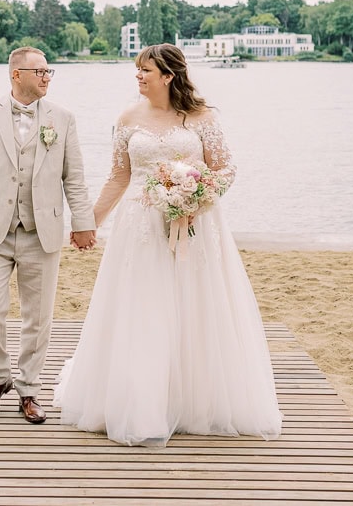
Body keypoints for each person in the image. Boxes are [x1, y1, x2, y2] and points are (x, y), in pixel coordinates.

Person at [54, 43, 282, 446]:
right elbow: (119, 178)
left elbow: (226, 167)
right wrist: (86, 223)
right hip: (140, 225)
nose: (138, 77)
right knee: (144, 305)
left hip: (195, 223)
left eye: (145, 70)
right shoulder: (127, 117)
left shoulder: (200, 117)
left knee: (195, 303)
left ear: (168, 75)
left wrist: (200, 197)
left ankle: (196, 401)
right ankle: (144, 400)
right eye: (137, 70)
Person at [0, 46, 96, 424]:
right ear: (17, 74)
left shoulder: (63, 118)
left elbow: (75, 177)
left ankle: (29, 388)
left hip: (42, 230)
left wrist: (84, 222)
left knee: (38, 317)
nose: (48, 77)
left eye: (50, 71)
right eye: (41, 71)